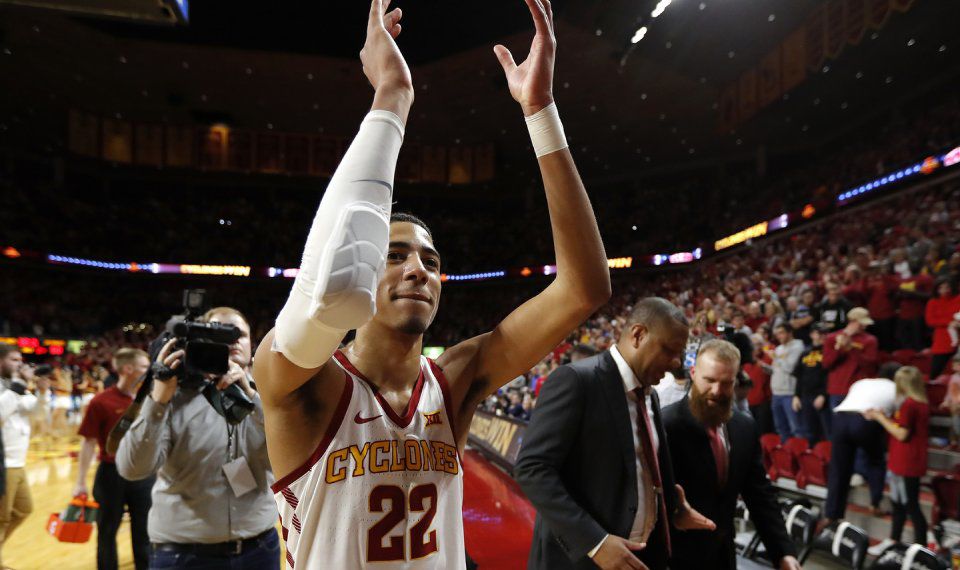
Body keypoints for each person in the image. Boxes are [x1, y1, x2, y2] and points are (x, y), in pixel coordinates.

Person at [253, 1, 612, 567]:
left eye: (429, 259)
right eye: (393, 256)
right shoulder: (300, 382)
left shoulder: (457, 379)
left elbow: (585, 288)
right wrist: (392, 96)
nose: (418, 268)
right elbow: (326, 294)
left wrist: (540, 112)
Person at [516, 298, 714, 570]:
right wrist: (594, 542)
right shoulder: (576, 380)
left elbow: (644, 469)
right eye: (669, 350)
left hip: (640, 556)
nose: (675, 362)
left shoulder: (650, 394)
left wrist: (673, 507)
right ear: (638, 335)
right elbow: (531, 468)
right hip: (582, 560)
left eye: (680, 353)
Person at [117, 307, 279, 569]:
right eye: (221, 333)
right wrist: (158, 401)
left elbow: (287, 463)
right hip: (184, 554)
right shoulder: (172, 396)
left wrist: (251, 398)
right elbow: (132, 469)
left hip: (259, 547)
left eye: (241, 334)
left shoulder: (272, 396)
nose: (234, 340)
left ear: (252, 344)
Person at [661, 339, 800, 570]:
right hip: (675, 558)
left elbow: (759, 495)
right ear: (693, 373)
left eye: (726, 383)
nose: (717, 391)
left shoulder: (744, 427)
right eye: (710, 380)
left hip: (722, 556)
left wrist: (783, 552)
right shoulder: (666, 423)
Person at [75, 348, 153, 570]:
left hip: (143, 475)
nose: (149, 372)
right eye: (144, 367)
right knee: (107, 532)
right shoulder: (101, 401)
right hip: (111, 475)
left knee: (144, 533)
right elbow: (88, 442)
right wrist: (80, 482)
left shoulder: (151, 400)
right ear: (127, 369)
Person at [864, 366, 930, 555]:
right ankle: (895, 539)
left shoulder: (910, 404)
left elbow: (901, 434)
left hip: (907, 461)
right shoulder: (919, 402)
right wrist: (880, 416)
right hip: (903, 459)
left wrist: (879, 417)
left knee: (910, 505)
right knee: (899, 503)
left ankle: (921, 549)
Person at [0, 344, 49, 567]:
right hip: (4, 463)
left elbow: (37, 414)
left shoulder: (16, 386)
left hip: (17, 461)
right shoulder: (10, 387)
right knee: (1, 517)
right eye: (13, 360)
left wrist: (42, 392)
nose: (19, 364)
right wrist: (19, 386)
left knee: (23, 509)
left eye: (21, 360)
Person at [823, 307, 879, 412]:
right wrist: (840, 347)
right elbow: (827, 364)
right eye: (861, 323)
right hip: (837, 389)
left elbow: (870, 366)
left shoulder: (870, 340)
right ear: (852, 321)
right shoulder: (832, 338)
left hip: (858, 390)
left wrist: (851, 348)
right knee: (838, 426)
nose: (865, 326)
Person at [792, 324, 830, 442]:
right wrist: (796, 396)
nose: (823, 336)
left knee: (828, 432)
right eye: (820, 333)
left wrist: (823, 395)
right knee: (809, 433)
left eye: (825, 333)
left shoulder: (829, 352)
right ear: (812, 335)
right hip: (806, 396)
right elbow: (799, 376)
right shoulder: (805, 352)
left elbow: (830, 376)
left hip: (822, 397)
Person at [769, 324, 804, 441]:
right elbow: (775, 370)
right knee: (780, 428)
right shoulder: (779, 349)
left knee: (796, 429)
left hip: (790, 393)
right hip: (776, 393)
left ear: (790, 332)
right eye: (777, 333)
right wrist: (762, 365)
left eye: (781, 332)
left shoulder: (798, 347)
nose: (779, 336)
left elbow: (790, 368)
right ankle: (785, 456)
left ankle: (800, 456)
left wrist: (775, 357)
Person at [926, 278, 960, 378]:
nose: (944, 290)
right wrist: (949, 322)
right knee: (935, 371)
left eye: (947, 287)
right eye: (941, 287)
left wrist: (956, 322)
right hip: (942, 341)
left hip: (958, 337)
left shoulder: (958, 299)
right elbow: (930, 321)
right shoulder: (933, 302)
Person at [939, 353, 960, 446]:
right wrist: (946, 401)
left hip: (957, 403)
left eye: (958, 364)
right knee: (953, 416)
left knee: (955, 412)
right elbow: (949, 392)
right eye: (954, 364)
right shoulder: (953, 377)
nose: (955, 367)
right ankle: (953, 441)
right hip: (954, 403)